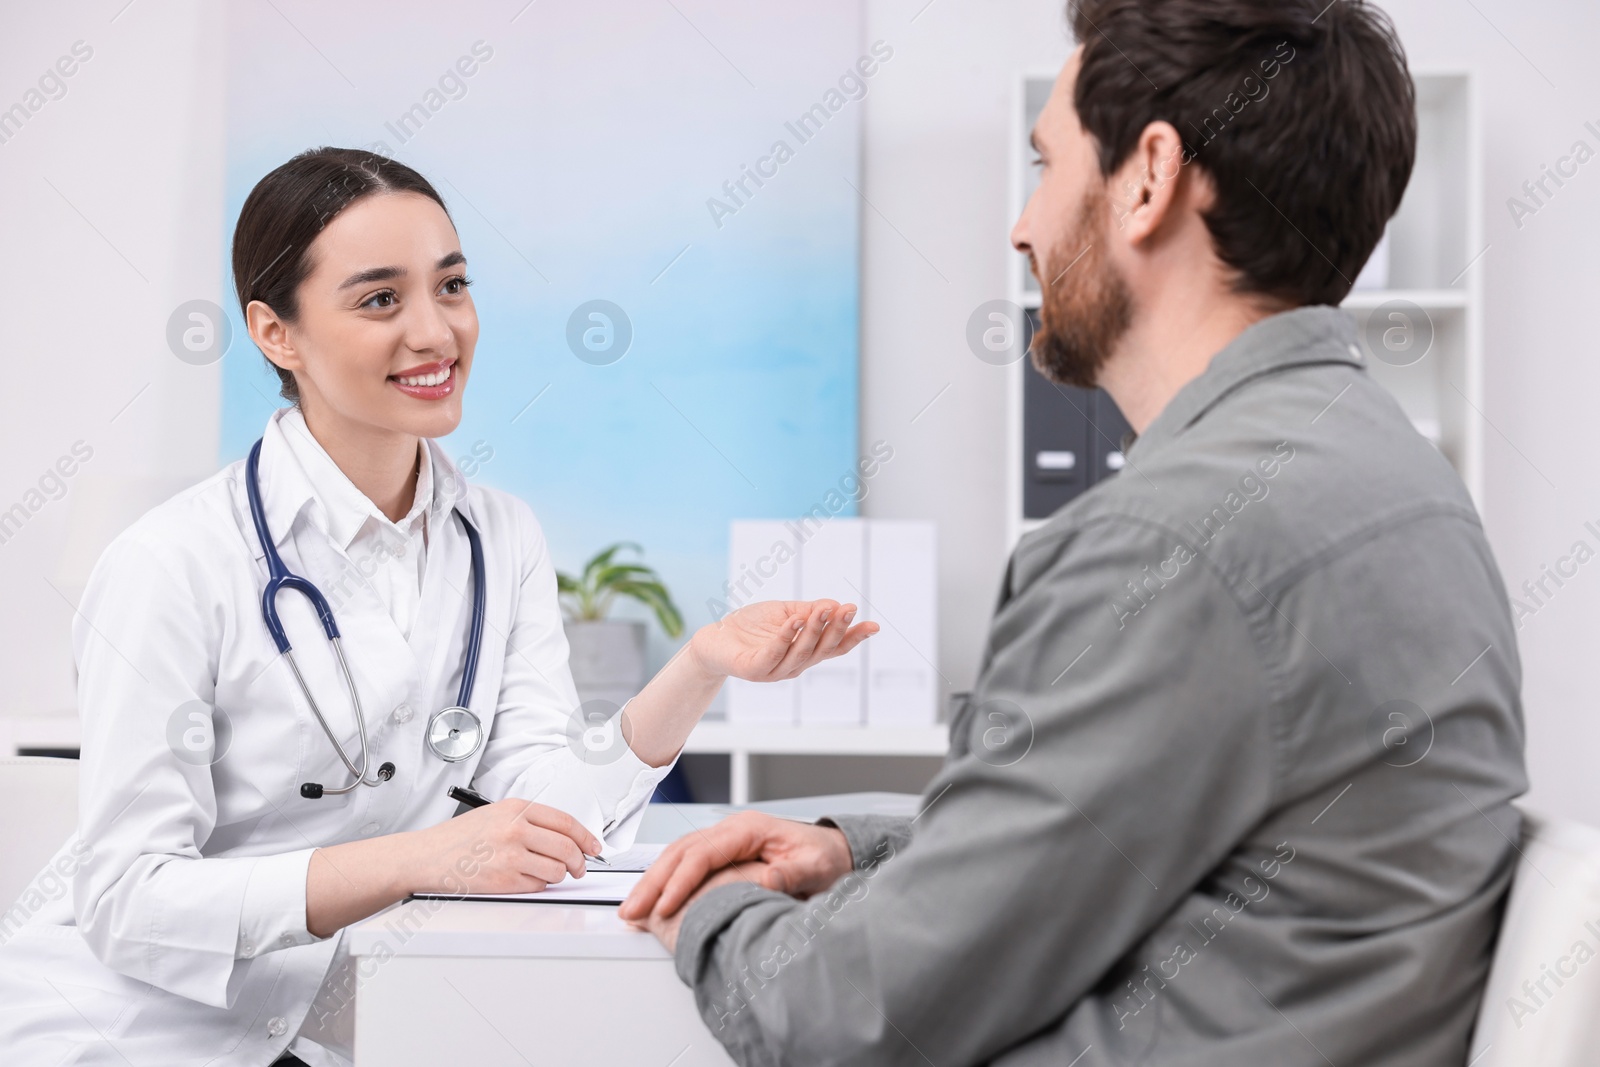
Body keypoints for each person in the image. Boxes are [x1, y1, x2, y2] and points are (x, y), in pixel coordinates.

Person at [620, 1, 1528, 1064]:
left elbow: (848, 1016)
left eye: (1045, 165)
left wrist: (715, 907)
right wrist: (853, 852)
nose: (1022, 225)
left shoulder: (1170, 542)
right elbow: (1194, 854)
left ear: (1147, 178)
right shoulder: (1400, 478)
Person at [0, 147, 877, 1066]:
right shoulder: (171, 564)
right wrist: (423, 857)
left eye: (451, 286)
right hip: (126, 1037)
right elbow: (127, 899)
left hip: (330, 1033)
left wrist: (697, 669)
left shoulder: (498, 537)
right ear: (276, 333)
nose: (436, 331)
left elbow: (545, 812)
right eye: (381, 299)